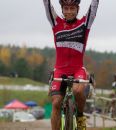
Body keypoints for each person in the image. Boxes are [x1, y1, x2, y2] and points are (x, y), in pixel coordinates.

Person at [43, 0, 99, 130]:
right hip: (59, 70)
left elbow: (94, 7)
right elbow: (46, 4)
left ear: (77, 9)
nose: (69, 11)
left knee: (77, 90)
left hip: (77, 69)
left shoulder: (84, 24)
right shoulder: (56, 22)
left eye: (72, 8)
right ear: (62, 10)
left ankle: (79, 116)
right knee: (56, 102)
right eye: (66, 8)